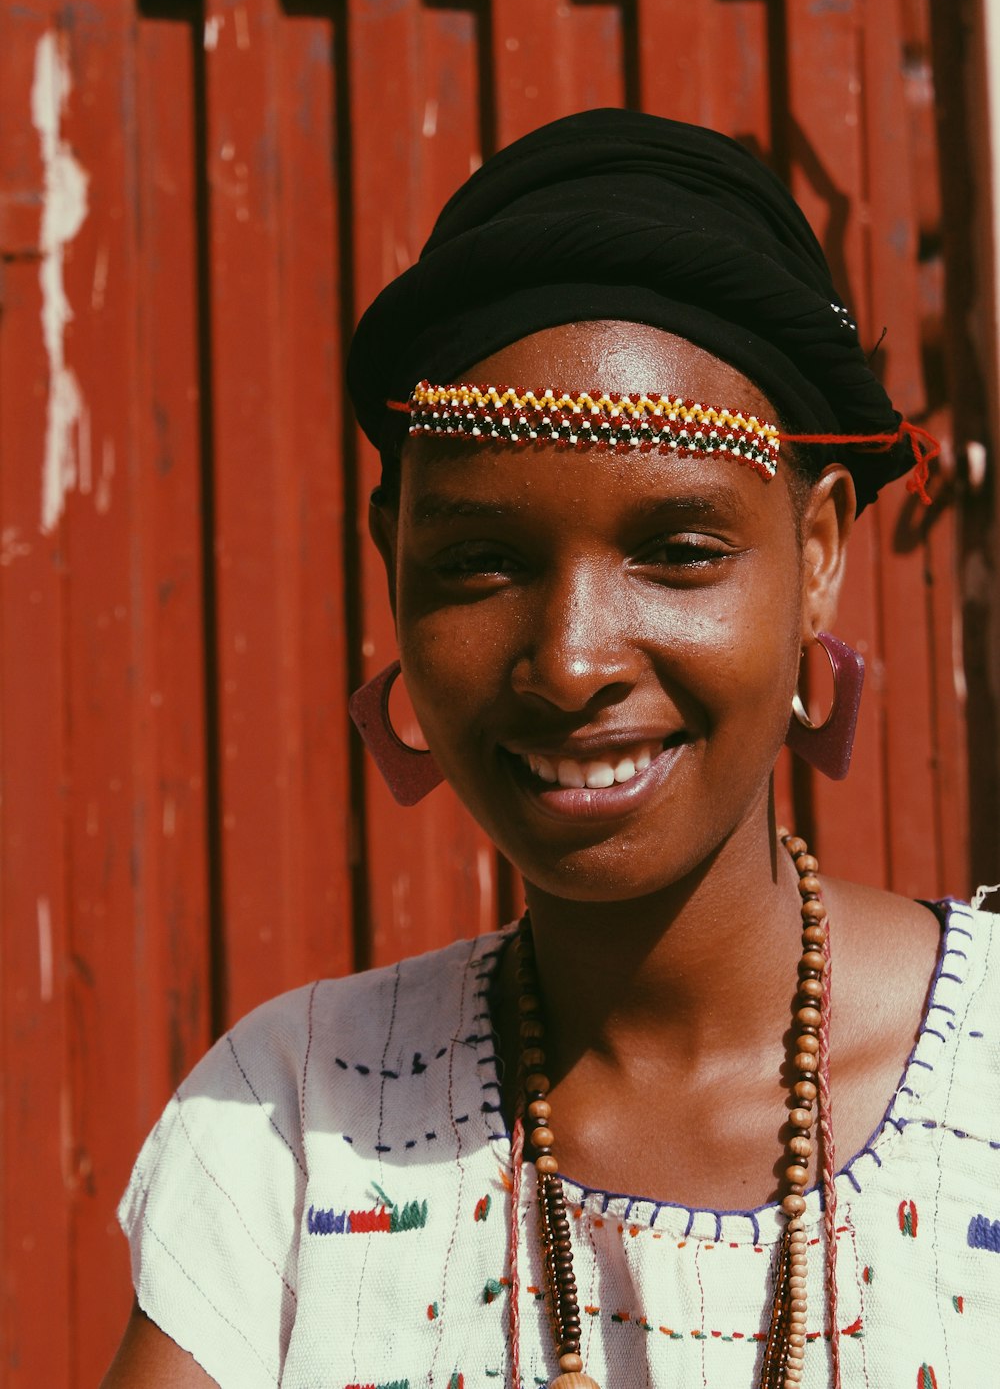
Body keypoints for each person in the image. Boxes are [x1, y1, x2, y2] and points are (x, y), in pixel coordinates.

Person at [101, 110, 998, 1389]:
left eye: (677, 551)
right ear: (390, 566)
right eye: (479, 562)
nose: (571, 659)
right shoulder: (291, 1127)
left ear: (816, 558)